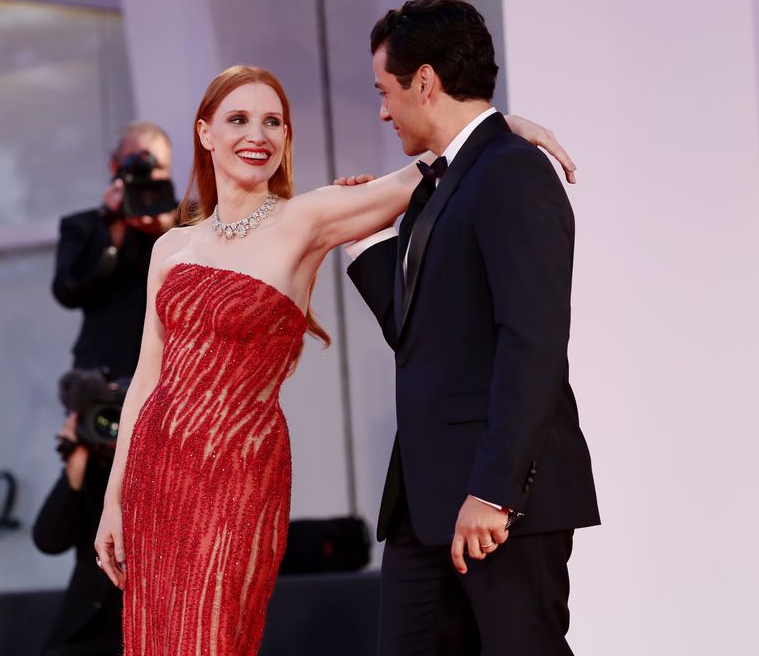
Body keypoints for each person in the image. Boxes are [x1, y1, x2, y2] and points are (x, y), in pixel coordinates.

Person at [93, 64, 574, 655]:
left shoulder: (307, 217)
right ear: (205, 133)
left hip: (237, 477)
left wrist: (504, 127)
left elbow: (440, 163)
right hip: (155, 474)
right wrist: (114, 499)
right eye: (239, 119)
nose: (258, 135)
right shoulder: (171, 246)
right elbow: (148, 378)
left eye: (274, 122)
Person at [346, 0, 600, 655]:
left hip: (498, 500)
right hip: (425, 503)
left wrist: (493, 490)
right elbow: (421, 337)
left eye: (385, 90)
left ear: (424, 82)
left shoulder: (512, 171)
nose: (382, 110)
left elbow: (533, 341)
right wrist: (368, 245)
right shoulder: (441, 185)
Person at [52, 122, 178, 379]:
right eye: (137, 165)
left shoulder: (192, 223)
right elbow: (67, 290)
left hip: (175, 378)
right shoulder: (84, 226)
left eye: (158, 167)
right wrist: (112, 226)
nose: (148, 175)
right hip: (104, 379)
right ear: (114, 165)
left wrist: (170, 232)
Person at [32, 411, 120, 656]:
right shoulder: (91, 474)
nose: (113, 427)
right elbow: (48, 541)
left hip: (147, 629)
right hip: (86, 632)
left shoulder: (162, 472)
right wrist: (75, 459)